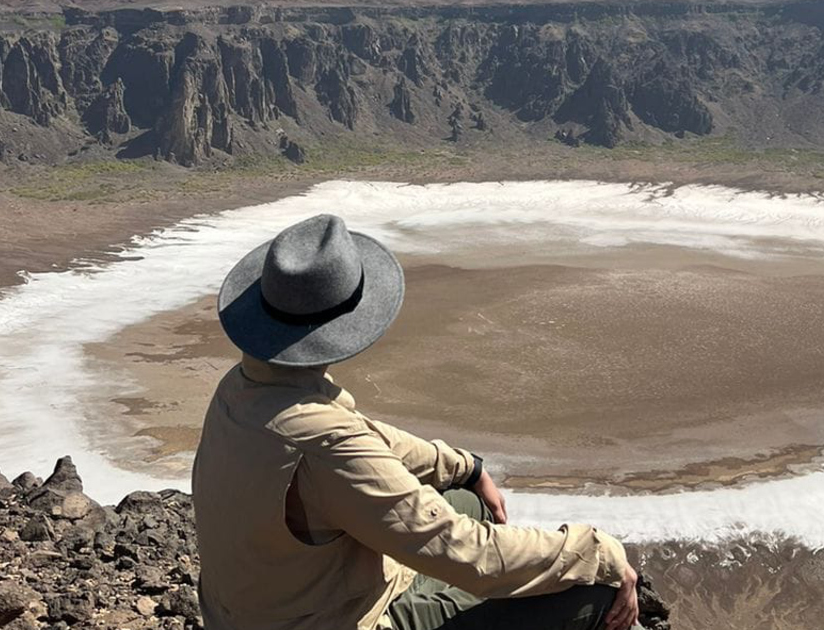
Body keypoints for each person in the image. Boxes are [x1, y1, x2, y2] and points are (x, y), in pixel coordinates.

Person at [192, 214, 640, 630]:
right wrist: (598, 552)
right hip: (336, 621)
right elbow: (465, 552)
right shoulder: (325, 445)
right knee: (594, 595)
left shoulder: (242, 387)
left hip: (260, 611)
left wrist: (466, 467)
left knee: (468, 499)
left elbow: (364, 436)